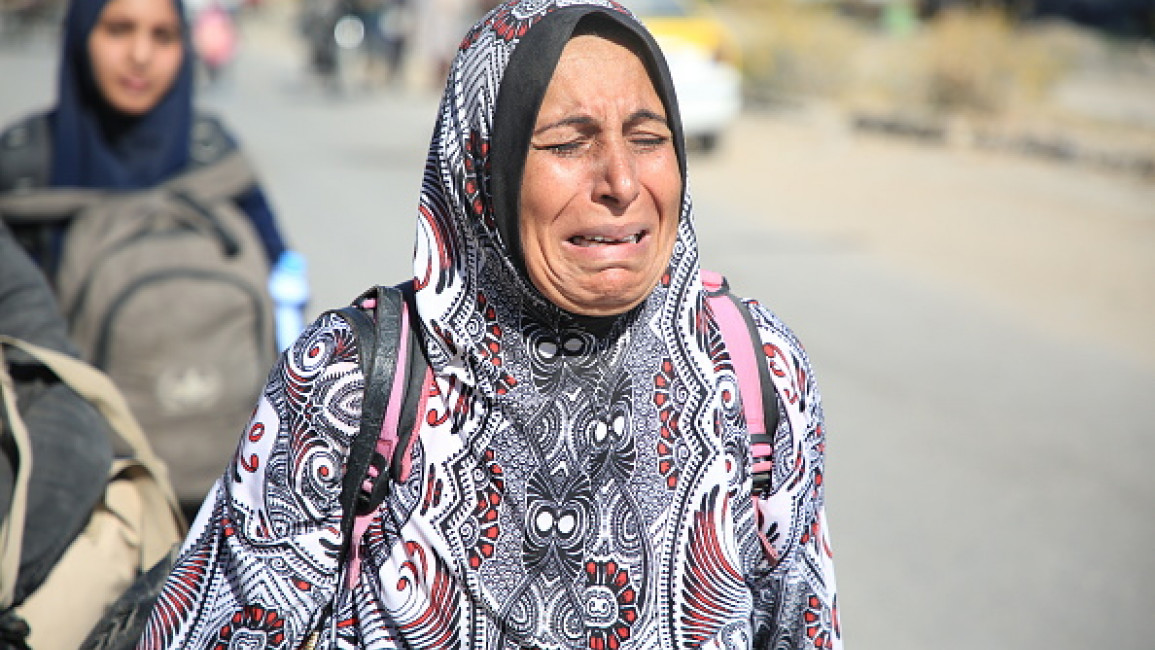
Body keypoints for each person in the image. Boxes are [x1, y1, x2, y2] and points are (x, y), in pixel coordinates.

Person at [138, 1, 842, 648]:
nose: (622, 183)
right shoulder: (347, 385)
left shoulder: (753, 374)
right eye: (568, 144)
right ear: (483, 164)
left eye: (648, 138)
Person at [0, 0, 302, 313]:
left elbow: (284, 280)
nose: (141, 56)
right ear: (79, 33)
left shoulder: (212, 154)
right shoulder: (25, 168)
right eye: (119, 30)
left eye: (163, 36)